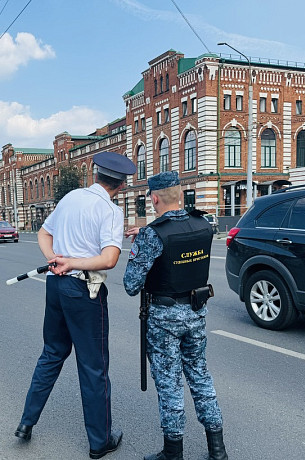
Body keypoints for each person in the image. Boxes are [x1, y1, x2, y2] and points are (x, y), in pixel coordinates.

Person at [15, 151, 136, 459]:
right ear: (120, 185)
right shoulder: (110, 211)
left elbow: (44, 233)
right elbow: (109, 259)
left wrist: (54, 260)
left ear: (95, 175)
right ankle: (99, 442)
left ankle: (26, 423)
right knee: (93, 366)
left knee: (52, 353)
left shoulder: (70, 197)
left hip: (55, 287)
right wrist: (73, 263)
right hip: (84, 291)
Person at [123, 171, 228, 460]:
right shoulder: (203, 224)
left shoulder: (151, 235)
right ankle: (218, 451)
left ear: (154, 198)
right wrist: (144, 236)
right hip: (196, 313)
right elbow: (176, 236)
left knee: (170, 384)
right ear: (181, 195)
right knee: (200, 376)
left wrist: (141, 243)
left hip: (164, 319)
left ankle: (173, 453)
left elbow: (131, 285)